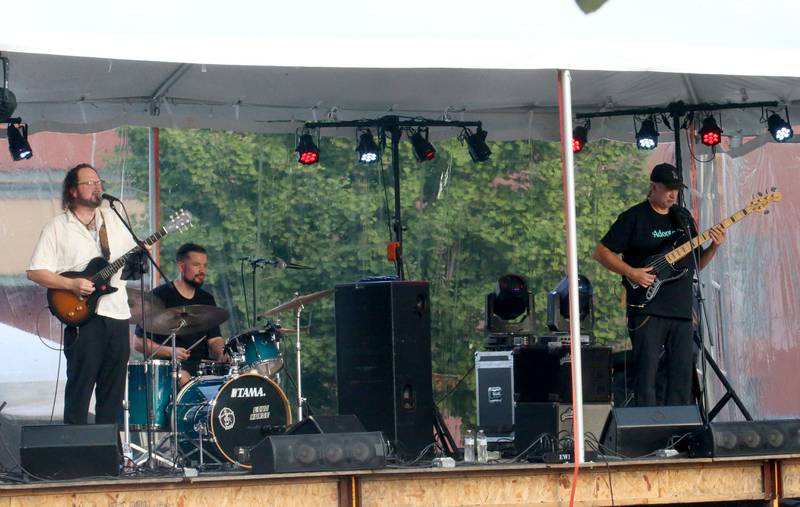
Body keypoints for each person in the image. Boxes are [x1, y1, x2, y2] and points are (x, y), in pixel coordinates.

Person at [592, 162, 725, 407]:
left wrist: (714, 247)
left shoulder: (683, 218)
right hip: (647, 309)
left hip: (682, 311)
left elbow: (695, 265)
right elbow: (601, 252)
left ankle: (679, 434)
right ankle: (647, 432)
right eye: (668, 189)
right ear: (653, 187)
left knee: (682, 375)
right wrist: (631, 272)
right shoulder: (634, 217)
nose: (673, 194)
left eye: (677, 189)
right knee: (646, 374)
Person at [27, 163, 138, 425]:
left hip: (118, 314)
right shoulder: (57, 227)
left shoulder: (114, 220)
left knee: (112, 392)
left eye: (99, 182)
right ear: (73, 190)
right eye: (90, 183)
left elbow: (133, 263)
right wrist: (72, 285)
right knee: (80, 387)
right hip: (83, 317)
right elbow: (35, 271)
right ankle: (75, 459)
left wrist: (141, 255)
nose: (97, 187)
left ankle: (111, 458)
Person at [133, 243, 227, 386]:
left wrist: (221, 353)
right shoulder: (158, 297)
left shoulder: (206, 299)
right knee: (182, 377)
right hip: (169, 367)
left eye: (205, 265)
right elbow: (138, 343)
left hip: (202, 367)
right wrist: (171, 352)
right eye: (196, 265)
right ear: (181, 267)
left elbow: (214, 340)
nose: (202, 270)